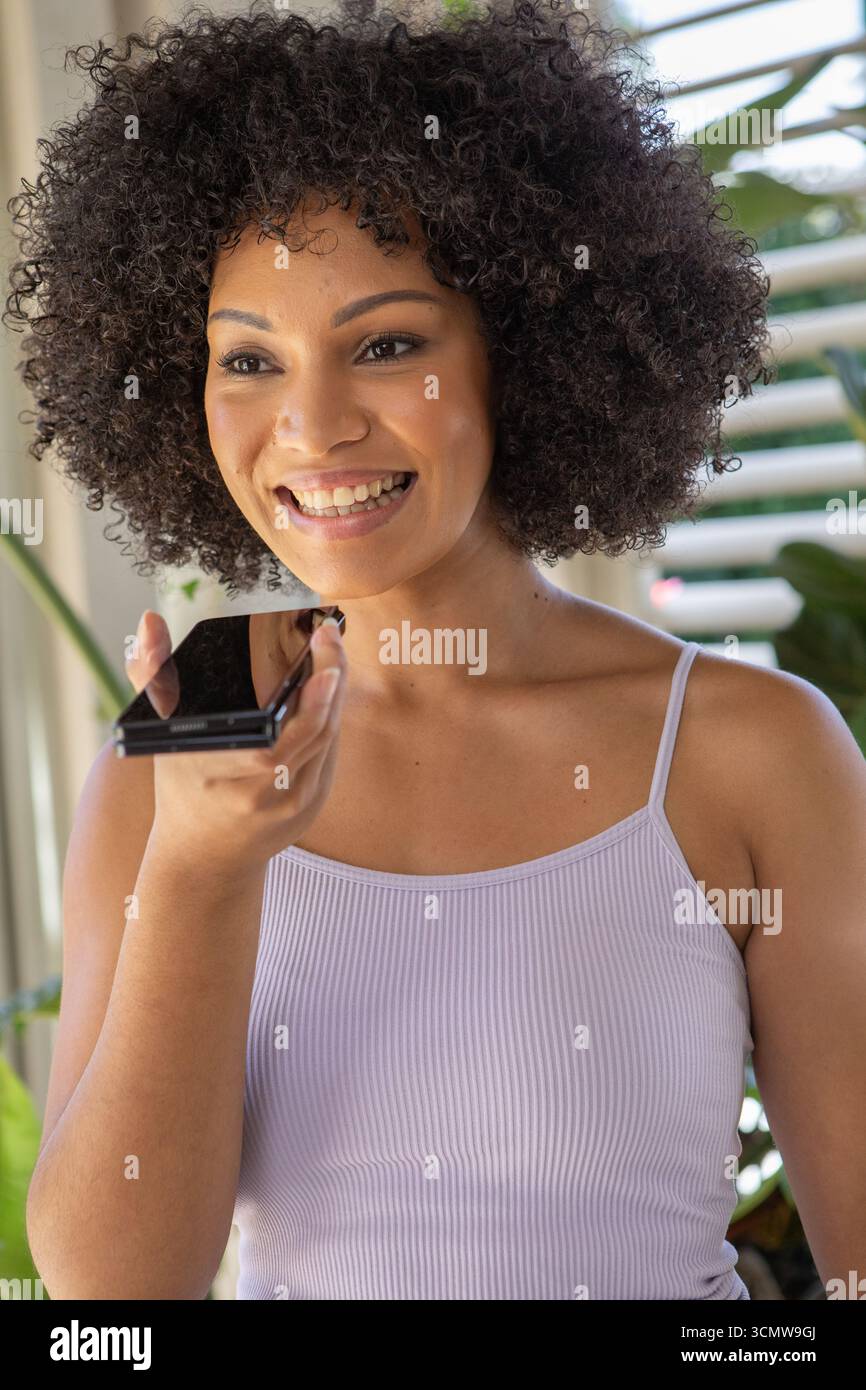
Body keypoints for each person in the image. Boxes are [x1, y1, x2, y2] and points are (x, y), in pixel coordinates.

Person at [12, 0, 866, 1301]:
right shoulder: (165, 774)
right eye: (248, 358)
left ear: (519, 355)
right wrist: (198, 867)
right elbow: (113, 1305)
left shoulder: (748, 748)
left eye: (388, 343)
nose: (307, 425)